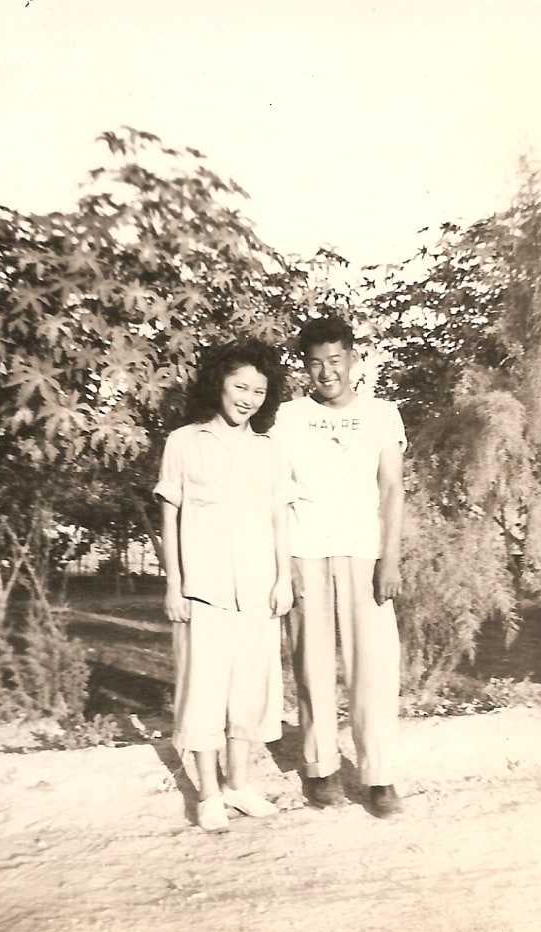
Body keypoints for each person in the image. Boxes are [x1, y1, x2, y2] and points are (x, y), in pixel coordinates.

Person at [154, 339, 292, 833]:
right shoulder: (184, 442)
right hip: (203, 592)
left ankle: (238, 784)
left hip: (258, 591)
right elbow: (169, 519)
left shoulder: (270, 450)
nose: (249, 398)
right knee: (205, 692)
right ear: (218, 384)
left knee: (250, 692)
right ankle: (209, 794)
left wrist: (284, 579)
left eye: (259, 390)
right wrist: (174, 585)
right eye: (240, 386)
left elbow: (279, 518)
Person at [274, 314, 406, 818]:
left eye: (335, 360)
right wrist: (282, 563)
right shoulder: (288, 417)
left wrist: (389, 558)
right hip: (305, 550)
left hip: (363, 553)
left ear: (352, 358)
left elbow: (392, 488)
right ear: (304, 368)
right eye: (314, 364)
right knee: (311, 665)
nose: (326, 372)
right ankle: (321, 768)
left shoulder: (382, 414)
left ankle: (378, 775)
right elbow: (278, 492)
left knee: (372, 668)